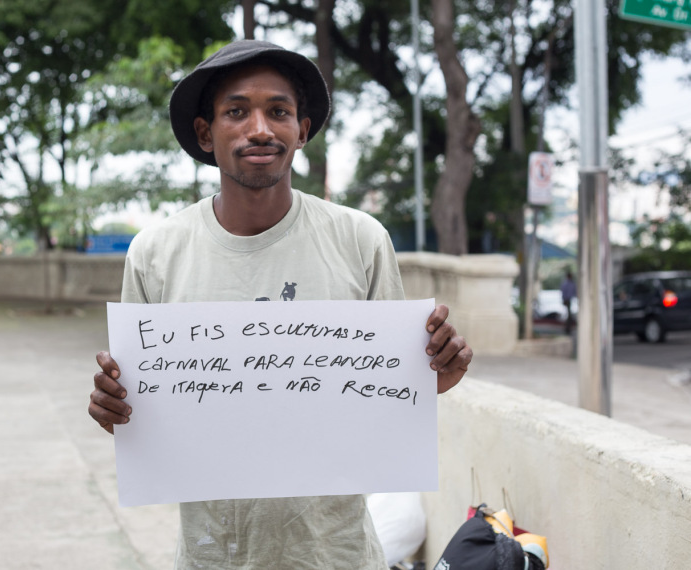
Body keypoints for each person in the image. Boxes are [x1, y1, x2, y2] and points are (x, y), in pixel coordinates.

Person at [88, 40, 473, 569]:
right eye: (237, 111)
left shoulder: (360, 240)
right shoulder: (155, 254)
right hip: (213, 555)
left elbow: (388, 395)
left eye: (279, 111)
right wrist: (115, 409)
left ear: (302, 130)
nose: (261, 128)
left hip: (336, 554)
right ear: (206, 132)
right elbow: (144, 412)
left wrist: (433, 377)